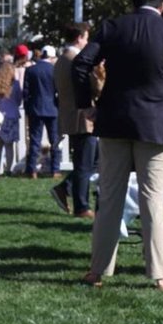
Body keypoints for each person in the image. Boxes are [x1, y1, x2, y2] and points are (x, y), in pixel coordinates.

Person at [73, 0, 163, 291]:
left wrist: (86, 104)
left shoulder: (113, 27)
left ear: (133, 3)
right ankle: (159, 274)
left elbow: (80, 64)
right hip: (157, 126)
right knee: (153, 201)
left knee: (110, 199)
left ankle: (97, 270)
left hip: (114, 122)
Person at [51, 24, 98, 219]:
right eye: (86, 38)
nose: (87, 42)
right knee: (85, 164)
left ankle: (66, 187)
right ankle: (81, 206)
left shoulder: (62, 59)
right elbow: (90, 86)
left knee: (93, 161)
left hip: (73, 115)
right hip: (83, 116)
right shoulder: (76, 59)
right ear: (79, 38)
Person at [23, 45, 58, 178]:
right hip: (52, 108)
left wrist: (28, 108)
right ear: (51, 56)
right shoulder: (54, 70)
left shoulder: (31, 70)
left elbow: (25, 92)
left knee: (34, 140)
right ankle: (55, 170)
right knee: (54, 140)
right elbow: (59, 91)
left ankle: (32, 170)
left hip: (35, 108)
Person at [0, 58, 22, 176]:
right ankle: (8, 169)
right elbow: (19, 100)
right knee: (9, 146)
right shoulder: (15, 84)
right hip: (12, 116)